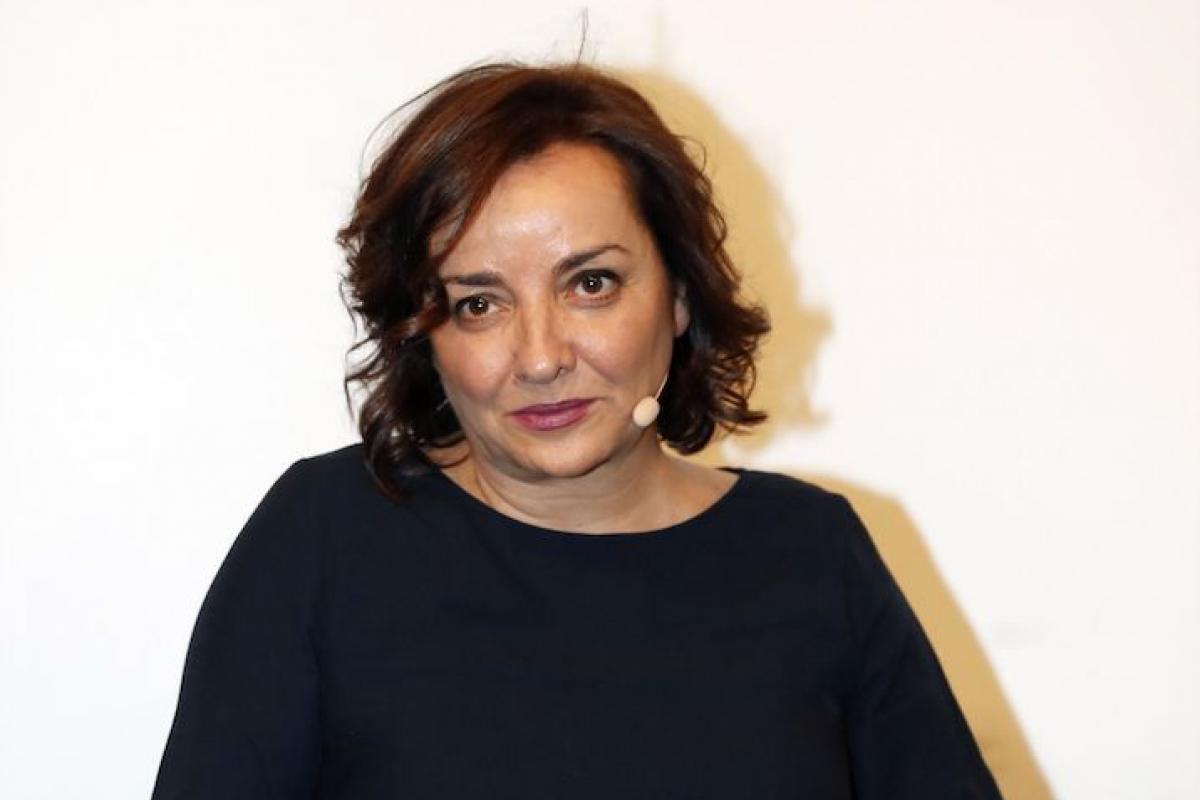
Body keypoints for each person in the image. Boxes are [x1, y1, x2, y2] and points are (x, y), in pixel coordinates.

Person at [151, 62, 1002, 799]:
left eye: (590, 284)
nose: (541, 356)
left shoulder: (812, 553)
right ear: (424, 333)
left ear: (679, 294)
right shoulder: (325, 539)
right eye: (479, 304)